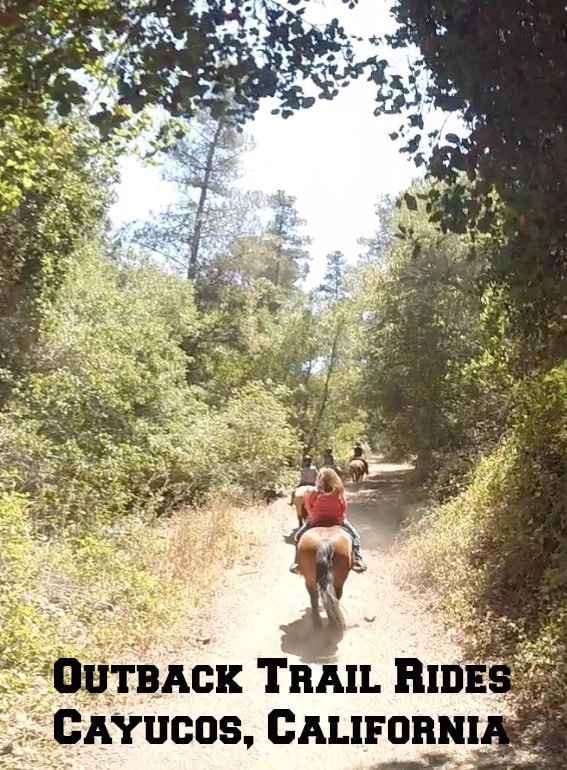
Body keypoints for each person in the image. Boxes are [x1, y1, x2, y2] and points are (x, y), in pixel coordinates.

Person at [289, 467, 367, 574]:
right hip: (337, 520)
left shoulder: (312, 492)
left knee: (298, 537)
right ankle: (358, 559)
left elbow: (308, 506)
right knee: (355, 536)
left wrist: (313, 517)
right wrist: (340, 518)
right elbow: (343, 506)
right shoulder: (339, 490)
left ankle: (297, 562)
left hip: (316, 520)